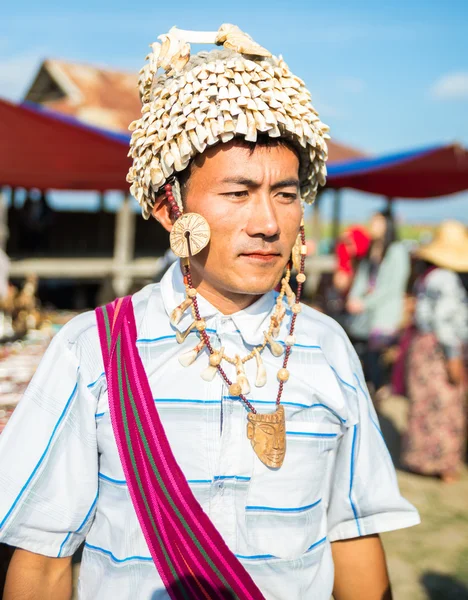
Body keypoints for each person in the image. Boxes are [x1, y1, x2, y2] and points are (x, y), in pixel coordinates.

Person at [0, 24, 419, 600]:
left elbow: (352, 538)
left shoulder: (328, 347)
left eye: (287, 194)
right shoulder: (91, 349)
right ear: (170, 208)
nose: (268, 223)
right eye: (237, 192)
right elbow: (44, 559)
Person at [402, 220, 468, 483]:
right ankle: (443, 464)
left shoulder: (428, 276)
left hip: (423, 346)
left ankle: (422, 459)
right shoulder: (447, 279)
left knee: (425, 404)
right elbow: (445, 321)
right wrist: (452, 357)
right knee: (445, 404)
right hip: (439, 349)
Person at [346, 210, 410, 395]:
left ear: (387, 226)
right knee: (362, 351)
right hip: (365, 314)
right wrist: (354, 297)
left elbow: (392, 287)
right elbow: (362, 278)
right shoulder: (372, 249)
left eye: (377, 222)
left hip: (385, 312)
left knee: (376, 355)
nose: (373, 226)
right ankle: (371, 389)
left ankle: (381, 390)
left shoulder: (397, 251)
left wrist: (364, 303)